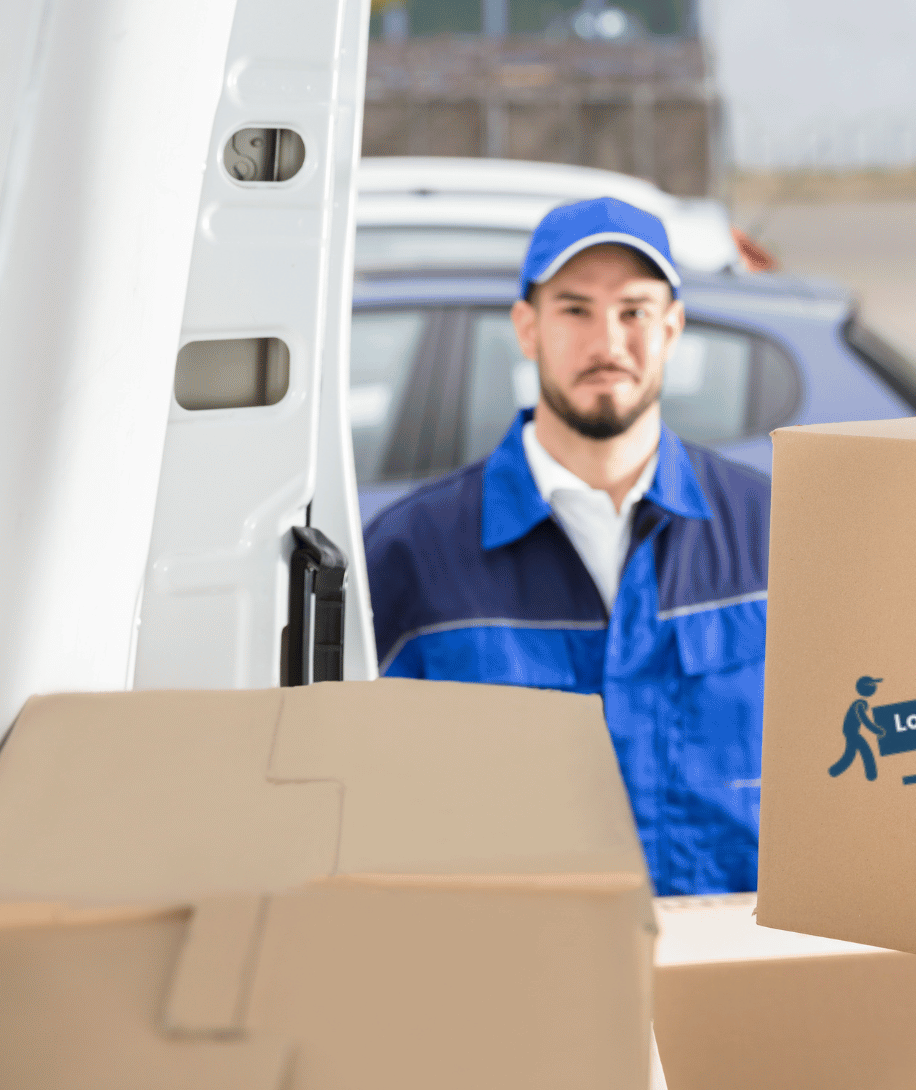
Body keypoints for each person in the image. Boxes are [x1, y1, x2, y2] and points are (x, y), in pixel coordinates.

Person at [367, 197, 772, 897]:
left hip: (731, 973)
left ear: (673, 326)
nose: (607, 342)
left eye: (635, 311)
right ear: (527, 328)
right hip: (519, 981)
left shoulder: (775, 529)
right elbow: (365, 802)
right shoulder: (412, 551)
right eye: (576, 309)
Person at [831, 676, 887, 780]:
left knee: (850, 754)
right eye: (872, 685)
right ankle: (871, 775)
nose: (874, 688)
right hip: (851, 732)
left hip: (851, 732)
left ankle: (834, 771)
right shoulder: (859, 704)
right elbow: (865, 720)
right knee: (863, 750)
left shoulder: (858, 703)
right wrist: (877, 730)